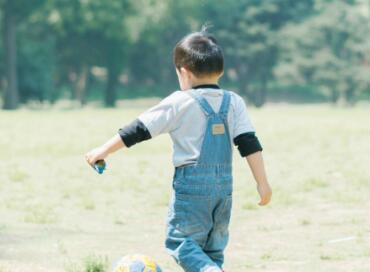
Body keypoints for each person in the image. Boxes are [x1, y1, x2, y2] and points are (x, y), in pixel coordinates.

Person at [85, 29, 272, 272]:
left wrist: (103, 150)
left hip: (191, 188)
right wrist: (262, 183)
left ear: (183, 72)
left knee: (181, 243)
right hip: (223, 189)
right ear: (221, 70)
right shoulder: (234, 101)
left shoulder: (180, 102)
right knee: (211, 251)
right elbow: (249, 142)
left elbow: (139, 129)